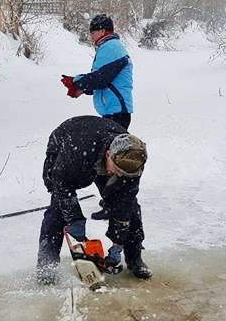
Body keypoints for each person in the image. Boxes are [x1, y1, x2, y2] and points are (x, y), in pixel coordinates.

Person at [37, 115, 151, 285]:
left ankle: (135, 259)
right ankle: (47, 268)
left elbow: (125, 203)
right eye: (117, 170)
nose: (120, 175)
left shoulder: (132, 160)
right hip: (68, 142)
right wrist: (74, 218)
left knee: (130, 208)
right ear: (108, 155)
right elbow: (61, 183)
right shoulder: (75, 154)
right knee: (58, 210)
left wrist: (118, 242)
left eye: (125, 174)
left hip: (96, 148)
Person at [60, 14, 135, 221]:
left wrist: (77, 82)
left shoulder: (110, 47)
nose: (91, 36)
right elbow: (105, 81)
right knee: (107, 160)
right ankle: (111, 203)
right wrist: (81, 88)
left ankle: (116, 205)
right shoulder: (110, 48)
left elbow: (101, 78)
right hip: (113, 113)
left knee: (108, 161)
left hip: (115, 114)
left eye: (92, 32)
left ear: (101, 31)